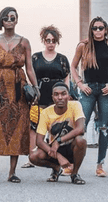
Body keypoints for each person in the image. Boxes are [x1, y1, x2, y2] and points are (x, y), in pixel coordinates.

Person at [0, 7, 39, 183]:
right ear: (1, 21)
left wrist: (36, 88)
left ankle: (12, 172)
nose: (9, 19)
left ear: (16, 20)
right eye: (6, 17)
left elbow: (29, 67)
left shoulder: (24, 42)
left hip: (18, 87)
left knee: (17, 128)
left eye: (12, 17)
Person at [70, 16, 108, 177]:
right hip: (89, 88)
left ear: (106, 30)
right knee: (80, 127)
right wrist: (80, 84)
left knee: (103, 127)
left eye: (101, 28)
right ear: (91, 30)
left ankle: (100, 165)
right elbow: (73, 66)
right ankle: (72, 164)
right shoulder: (83, 46)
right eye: (95, 28)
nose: (98, 31)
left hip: (106, 89)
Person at [23, 25, 70, 169]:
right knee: (34, 125)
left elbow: (67, 76)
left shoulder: (62, 58)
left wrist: (66, 92)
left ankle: (52, 154)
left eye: (53, 40)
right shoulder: (36, 57)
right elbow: (30, 73)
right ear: (44, 41)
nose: (51, 43)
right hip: (40, 93)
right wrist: (32, 91)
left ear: (57, 42)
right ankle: (31, 157)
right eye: (48, 40)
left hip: (57, 94)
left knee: (55, 125)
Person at [29, 82, 87, 185]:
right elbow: (39, 141)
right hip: (54, 150)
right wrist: (59, 156)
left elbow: (81, 129)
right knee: (34, 156)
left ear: (68, 96)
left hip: (71, 146)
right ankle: (56, 168)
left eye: (63, 94)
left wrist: (59, 141)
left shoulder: (75, 105)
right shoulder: (46, 112)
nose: (60, 97)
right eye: (56, 94)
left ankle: (74, 174)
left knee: (81, 140)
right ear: (52, 97)